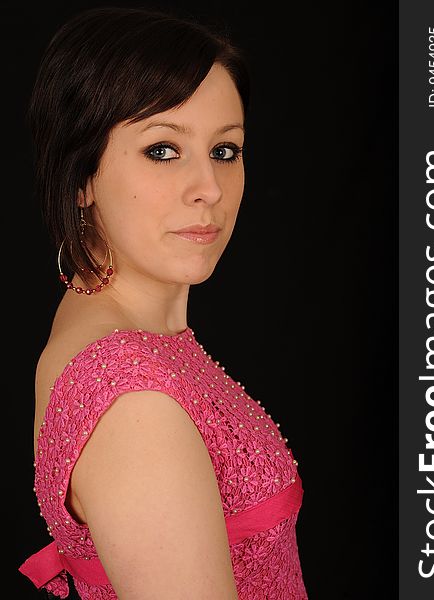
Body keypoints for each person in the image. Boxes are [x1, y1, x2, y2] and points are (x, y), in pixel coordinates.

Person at [18, 6, 307, 599]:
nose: (208, 188)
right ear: (82, 176)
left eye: (225, 151)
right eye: (163, 150)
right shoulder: (133, 399)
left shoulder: (118, 331)